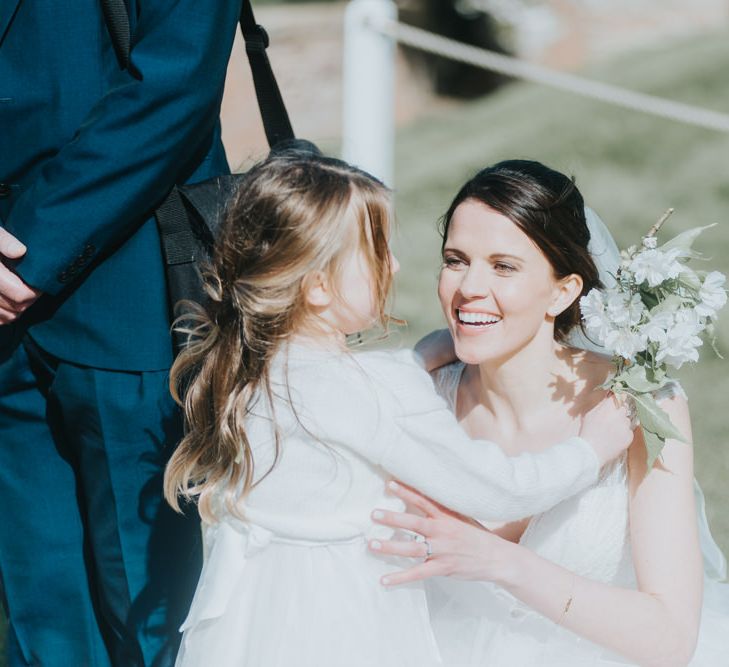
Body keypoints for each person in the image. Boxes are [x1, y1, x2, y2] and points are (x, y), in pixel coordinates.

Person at [163, 153, 633, 667]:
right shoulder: (376, 393)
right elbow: (502, 489)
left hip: (258, 617)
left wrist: (424, 356)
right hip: (346, 620)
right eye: (378, 251)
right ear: (319, 285)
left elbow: (356, 395)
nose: (396, 265)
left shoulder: (255, 368)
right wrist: (590, 451)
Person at [368, 159, 729, 666]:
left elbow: (670, 638)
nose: (469, 286)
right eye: (455, 259)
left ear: (563, 291)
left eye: (504, 266)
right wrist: (414, 364)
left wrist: (501, 563)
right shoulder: (419, 398)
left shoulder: (638, 406)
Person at [0, 2, 242, 665]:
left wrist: (33, 249)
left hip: (128, 294)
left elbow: (175, 82)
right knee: (37, 610)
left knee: (149, 608)